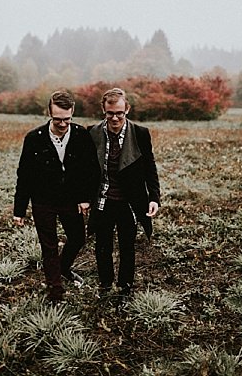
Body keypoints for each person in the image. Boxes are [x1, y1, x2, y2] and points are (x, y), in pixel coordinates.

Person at [14, 90, 99, 303]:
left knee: (78, 238)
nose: (63, 124)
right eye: (57, 119)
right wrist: (19, 210)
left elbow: (91, 170)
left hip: (71, 199)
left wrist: (85, 198)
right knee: (49, 246)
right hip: (43, 200)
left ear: (73, 113)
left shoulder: (81, 135)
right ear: (49, 113)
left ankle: (62, 269)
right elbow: (24, 175)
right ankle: (55, 291)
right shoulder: (34, 138)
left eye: (67, 119)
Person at [88, 88, 161, 300]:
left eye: (119, 112)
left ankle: (125, 287)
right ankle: (105, 284)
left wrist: (154, 197)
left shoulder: (140, 133)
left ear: (127, 109)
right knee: (102, 245)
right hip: (103, 200)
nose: (115, 117)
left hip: (130, 202)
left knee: (127, 245)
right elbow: (85, 170)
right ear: (103, 110)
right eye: (110, 113)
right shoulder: (92, 133)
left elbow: (150, 168)